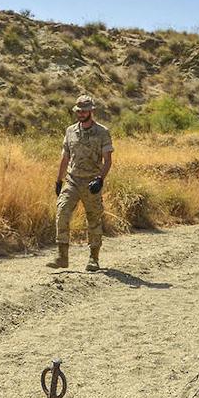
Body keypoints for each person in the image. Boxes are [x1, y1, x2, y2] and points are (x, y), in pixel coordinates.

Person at [49, 94, 113, 272]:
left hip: (91, 181)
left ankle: (94, 258)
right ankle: (62, 257)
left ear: (91, 111)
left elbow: (107, 160)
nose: (81, 113)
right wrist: (58, 180)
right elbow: (65, 157)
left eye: (84, 111)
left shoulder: (102, 132)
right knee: (62, 212)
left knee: (93, 219)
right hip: (72, 180)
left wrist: (100, 178)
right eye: (79, 111)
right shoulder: (70, 131)